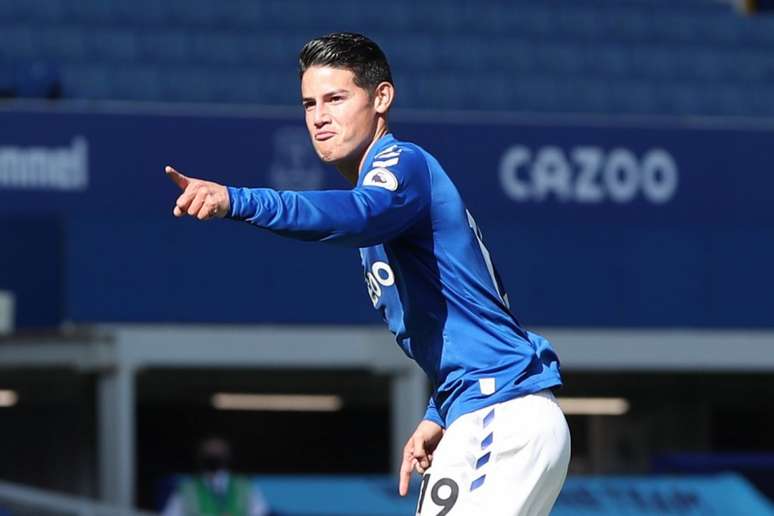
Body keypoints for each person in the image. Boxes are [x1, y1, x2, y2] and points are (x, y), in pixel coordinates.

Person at [165, 32, 570, 516]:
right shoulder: (389, 205)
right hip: (489, 413)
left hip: (498, 416)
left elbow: (360, 213)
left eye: (336, 98)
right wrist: (439, 411)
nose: (318, 116)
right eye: (309, 103)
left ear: (382, 98)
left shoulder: (402, 164)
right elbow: (469, 319)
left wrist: (237, 200)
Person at [162, 437, 270, 516]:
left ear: (227, 456)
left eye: (218, 453)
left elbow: (259, 512)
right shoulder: (187, 490)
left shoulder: (245, 487)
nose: (213, 456)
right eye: (209, 453)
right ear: (200, 456)